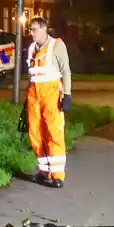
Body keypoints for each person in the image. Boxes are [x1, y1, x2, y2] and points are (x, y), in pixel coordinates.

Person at [23, 17, 72, 188]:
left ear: (44, 29)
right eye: (30, 29)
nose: (31, 33)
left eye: (34, 29)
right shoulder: (31, 49)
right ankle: (44, 172)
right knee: (35, 134)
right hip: (34, 95)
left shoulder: (57, 45)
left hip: (51, 95)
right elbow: (32, 76)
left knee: (53, 133)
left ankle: (58, 175)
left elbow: (66, 70)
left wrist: (67, 94)